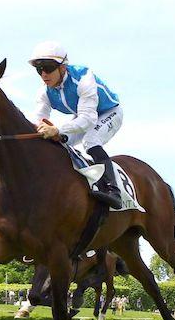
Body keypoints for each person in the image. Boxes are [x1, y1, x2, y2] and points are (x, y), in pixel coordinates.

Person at [28, 41, 124, 209]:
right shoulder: (44, 92)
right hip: (83, 116)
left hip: (109, 112)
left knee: (91, 141)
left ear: (62, 67)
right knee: (56, 143)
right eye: (39, 69)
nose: (43, 74)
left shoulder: (83, 78)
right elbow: (38, 120)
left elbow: (88, 119)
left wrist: (57, 130)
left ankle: (113, 191)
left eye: (48, 68)